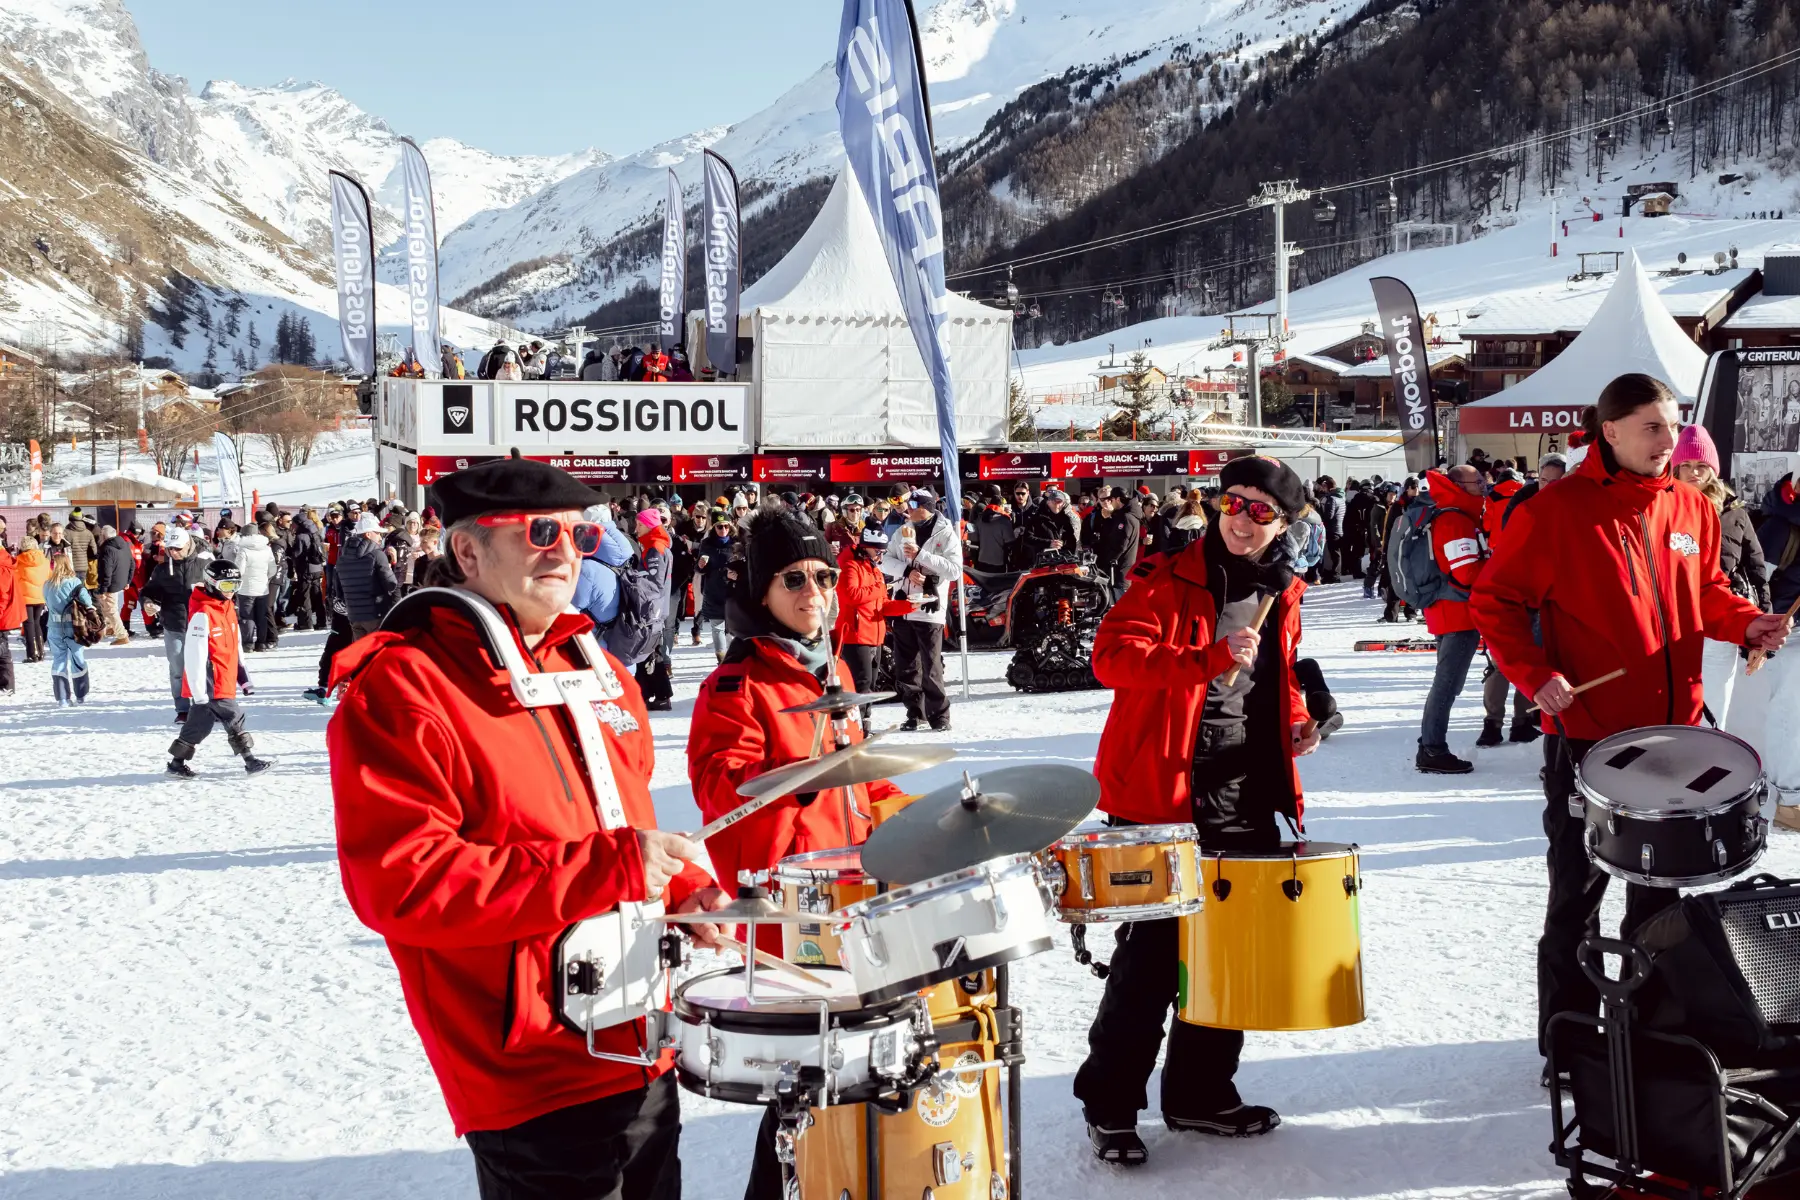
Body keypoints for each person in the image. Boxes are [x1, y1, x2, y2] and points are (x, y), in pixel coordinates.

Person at [328, 453, 726, 1200]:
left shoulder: (593, 665)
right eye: (540, 531)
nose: (565, 551)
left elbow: (623, 816)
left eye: (580, 535)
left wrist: (685, 888)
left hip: (637, 1033)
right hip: (528, 1069)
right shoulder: (405, 684)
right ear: (469, 552)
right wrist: (610, 868)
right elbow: (403, 885)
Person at [1470, 373, 1791, 1071]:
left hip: (1673, 735)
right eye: (1649, 426)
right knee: (1576, 895)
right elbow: (1493, 600)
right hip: (1591, 738)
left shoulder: (1691, 507)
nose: (1666, 440)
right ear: (1608, 431)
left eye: (1672, 426)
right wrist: (1534, 673)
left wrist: (1749, 622)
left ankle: (1649, 1034)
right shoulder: (1556, 509)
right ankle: (1568, 1039)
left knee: (1662, 900)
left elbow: (1706, 593)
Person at [1074, 455, 1317, 1165]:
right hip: (1159, 793)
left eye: (1260, 510)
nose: (1240, 518)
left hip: (1243, 792)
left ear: (1285, 523)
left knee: (1227, 958)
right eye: (1231, 502)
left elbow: (1271, 681)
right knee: (1149, 961)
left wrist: (1298, 718)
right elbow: (1112, 659)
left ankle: (1201, 1094)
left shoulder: (1283, 590)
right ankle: (1111, 1104)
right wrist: (1203, 658)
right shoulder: (1167, 576)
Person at [689, 506, 902, 948]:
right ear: (763, 593)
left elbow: (855, 768)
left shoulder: (833, 667)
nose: (814, 592)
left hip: (854, 882)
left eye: (825, 577)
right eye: (793, 579)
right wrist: (794, 774)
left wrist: (908, 812)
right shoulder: (736, 682)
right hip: (785, 899)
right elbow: (715, 785)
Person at [1411, 465, 1490, 774]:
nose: (1484, 485)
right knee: (1446, 685)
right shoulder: (1455, 519)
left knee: (1445, 684)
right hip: (1457, 614)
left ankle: (1430, 746)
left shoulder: (1453, 514)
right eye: (1478, 481)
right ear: (1459, 485)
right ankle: (1432, 749)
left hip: (1450, 611)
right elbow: (1466, 572)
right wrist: (1497, 568)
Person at [165, 560, 272, 777]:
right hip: (209, 680)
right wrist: (198, 691)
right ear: (212, 584)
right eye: (226, 586)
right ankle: (250, 761)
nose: (231, 592)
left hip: (224, 675)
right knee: (234, 716)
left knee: (200, 724)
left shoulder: (227, 608)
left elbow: (236, 645)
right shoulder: (203, 613)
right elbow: (194, 655)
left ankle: (176, 763)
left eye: (235, 586)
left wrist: (244, 677)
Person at [880, 488, 960, 732]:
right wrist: (905, 571)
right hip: (904, 606)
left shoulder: (945, 533)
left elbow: (955, 570)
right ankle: (915, 713)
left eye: (915, 504)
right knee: (906, 666)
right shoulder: (903, 531)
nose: (909, 508)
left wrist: (921, 555)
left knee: (931, 665)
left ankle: (940, 716)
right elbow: (885, 560)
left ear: (929, 507)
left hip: (929, 608)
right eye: (908, 504)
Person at [140, 527, 212, 721]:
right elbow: (149, 591)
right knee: (178, 668)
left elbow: (221, 590)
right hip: (174, 624)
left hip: (201, 625)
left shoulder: (206, 563)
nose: (173, 552)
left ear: (189, 544)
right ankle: (183, 709)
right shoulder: (163, 568)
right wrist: (148, 603)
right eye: (170, 548)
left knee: (205, 667)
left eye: (177, 548)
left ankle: (208, 706)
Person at [836, 525, 904, 716]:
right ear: (865, 547)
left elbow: (883, 605)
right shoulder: (851, 566)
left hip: (875, 634)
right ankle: (856, 729)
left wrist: (909, 605)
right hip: (855, 635)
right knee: (861, 684)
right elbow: (850, 595)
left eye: (882, 552)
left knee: (870, 686)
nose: (880, 556)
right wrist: (879, 589)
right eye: (878, 551)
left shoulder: (874, 571)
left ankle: (865, 725)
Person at [631, 508, 675, 711]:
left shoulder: (655, 548)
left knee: (648, 651)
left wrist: (633, 580)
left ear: (649, 526)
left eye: (639, 525)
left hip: (652, 609)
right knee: (649, 650)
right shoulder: (654, 545)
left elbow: (654, 583)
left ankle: (658, 694)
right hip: (656, 608)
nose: (635, 528)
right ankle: (655, 694)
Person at [42, 548, 93, 706]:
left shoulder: (47, 585)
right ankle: (81, 694)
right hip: (74, 627)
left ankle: (62, 698)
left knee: (59, 661)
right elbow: (88, 602)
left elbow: (47, 604)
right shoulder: (75, 583)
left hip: (54, 628)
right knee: (77, 659)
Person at [337, 512, 398, 640]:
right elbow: (391, 584)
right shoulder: (377, 555)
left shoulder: (343, 557)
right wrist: (393, 566)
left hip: (354, 615)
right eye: (378, 533)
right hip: (376, 614)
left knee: (362, 655)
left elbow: (339, 589)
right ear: (368, 534)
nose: (381, 537)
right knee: (377, 654)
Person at [693, 512, 738, 662]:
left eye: (726, 526)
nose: (723, 529)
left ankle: (735, 658)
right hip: (713, 591)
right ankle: (722, 660)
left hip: (733, 592)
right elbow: (699, 569)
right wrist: (700, 566)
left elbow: (743, 567)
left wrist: (735, 574)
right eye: (719, 527)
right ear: (714, 527)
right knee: (717, 627)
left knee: (734, 629)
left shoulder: (736, 544)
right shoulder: (707, 544)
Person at [234, 520, 276, 652]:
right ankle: (261, 643)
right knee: (262, 616)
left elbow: (239, 571)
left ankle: (248, 644)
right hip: (262, 588)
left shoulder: (243, 550)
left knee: (247, 616)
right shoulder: (267, 549)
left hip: (246, 589)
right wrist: (265, 578)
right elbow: (272, 569)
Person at [1018, 487, 1081, 563]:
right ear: (1048, 502)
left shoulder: (1066, 519)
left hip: (1063, 559)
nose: (1057, 505)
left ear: (1064, 503)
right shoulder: (1037, 518)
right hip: (1042, 560)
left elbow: (1072, 540)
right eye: (1054, 501)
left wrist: (1062, 543)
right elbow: (1027, 538)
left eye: (1059, 502)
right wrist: (1048, 543)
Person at [16, 535, 48, 665]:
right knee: (36, 623)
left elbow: (16, 578)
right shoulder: (44, 560)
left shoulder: (19, 561)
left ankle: (32, 654)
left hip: (25, 597)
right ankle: (40, 651)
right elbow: (49, 575)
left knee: (28, 625)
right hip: (40, 595)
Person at [1312, 476, 1345, 583]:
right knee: (1336, 553)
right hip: (1338, 529)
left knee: (1333, 554)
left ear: (1327, 487)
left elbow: (1328, 516)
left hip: (1332, 530)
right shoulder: (1340, 498)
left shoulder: (1331, 499)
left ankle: (1334, 576)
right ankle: (1335, 575)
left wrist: (1319, 510)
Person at [0, 536, 20, 693]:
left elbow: (3, 595)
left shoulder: (2, 566)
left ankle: (6, 685)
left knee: (2, 650)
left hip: (2, 615)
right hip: (5, 614)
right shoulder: (5, 561)